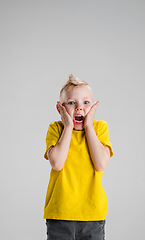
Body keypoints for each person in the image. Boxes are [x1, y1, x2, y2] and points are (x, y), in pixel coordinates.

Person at [44, 74, 114, 240]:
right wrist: (68, 127)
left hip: (92, 215)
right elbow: (57, 163)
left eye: (85, 102)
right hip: (60, 214)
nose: (79, 108)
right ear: (60, 108)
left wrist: (89, 126)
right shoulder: (56, 129)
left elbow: (101, 163)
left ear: (93, 107)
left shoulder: (99, 128)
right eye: (71, 103)